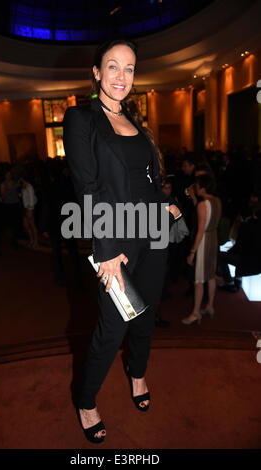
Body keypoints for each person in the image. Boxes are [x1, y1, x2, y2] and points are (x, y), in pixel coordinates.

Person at [63, 38, 180, 444]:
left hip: (153, 233)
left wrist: (165, 205)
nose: (121, 76)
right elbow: (87, 186)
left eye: (129, 68)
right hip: (115, 239)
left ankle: (137, 372)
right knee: (113, 327)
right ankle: (85, 398)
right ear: (96, 72)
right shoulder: (81, 118)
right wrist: (107, 250)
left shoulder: (135, 120)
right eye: (112, 66)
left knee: (146, 315)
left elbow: (147, 178)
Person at [182, 173, 221, 325]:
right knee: (211, 276)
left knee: (198, 280)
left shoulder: (201, 205)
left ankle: (195, 313)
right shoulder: (217, 201)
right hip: (214, 239)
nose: (195, 187)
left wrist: (192, 252)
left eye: (197, 185)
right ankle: (210, 306)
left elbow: (200, 230)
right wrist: (193, 198)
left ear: (203, 187)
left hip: (204, 241)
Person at [18, 176, 38, 249]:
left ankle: (35, 241)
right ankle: (31, 239)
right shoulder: (23, 186)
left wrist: (30, 209)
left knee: (32, 225)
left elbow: (32, 199)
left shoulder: (29, 186)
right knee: (25, 225)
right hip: (25, 207)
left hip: (30, 207)